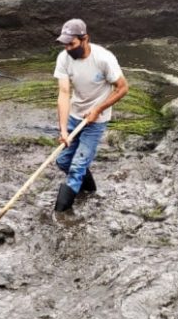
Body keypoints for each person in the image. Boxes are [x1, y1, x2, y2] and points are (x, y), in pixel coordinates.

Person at [52, 18, 129, 212]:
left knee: (77, 166)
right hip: (75, 116)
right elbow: (63, 93)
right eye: (65, 44)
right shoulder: (63, 58)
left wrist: (97, 110)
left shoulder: (103, 59)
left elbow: (122, 88)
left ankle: (60, 214)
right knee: (63, 161)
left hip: (96, 120)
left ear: (85, 38)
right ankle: (89, 189)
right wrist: (62, 130)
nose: (68, 49)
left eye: (72, 44)